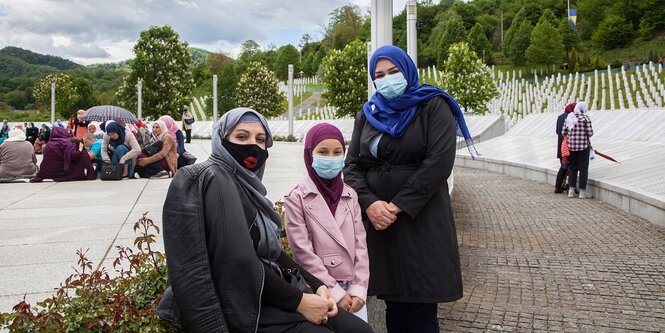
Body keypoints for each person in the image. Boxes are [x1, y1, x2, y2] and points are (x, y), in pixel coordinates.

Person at [156, 108, 372, 333]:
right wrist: (300, 302)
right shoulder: (204, 178)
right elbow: (234, 262)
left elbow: (273, 253)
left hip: (272, 297)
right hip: (245, 307)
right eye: (241, 136)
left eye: (261, 139)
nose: (254, 146)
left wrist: (317, 286)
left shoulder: (250, 189)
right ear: (222, 139)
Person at [344, 45, 470, 333]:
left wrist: (396, 205)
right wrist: (370, 204)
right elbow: (352, 166)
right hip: (380, 224)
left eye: (393, 72)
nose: (387, 79)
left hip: (420, 219)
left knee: (421, 309)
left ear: (408, 71)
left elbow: (439, 163)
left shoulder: (433, 105)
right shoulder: (369, 113)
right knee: (394, 307)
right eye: (379, 75)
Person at [284, 123, 370, 322]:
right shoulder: (297, 197)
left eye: (337, 152)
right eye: (322, 151)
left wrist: (359, 289)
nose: (331, 158)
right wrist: (335, 292)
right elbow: (302, 252)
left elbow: (361, 246)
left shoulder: (350, 195)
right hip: (320, 291)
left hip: (352, 292)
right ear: (309, 154)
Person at [30, 127, 95, 182]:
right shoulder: (67, 143)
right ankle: (90, 174)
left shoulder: (48, 145)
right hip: (66, 172)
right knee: (83, 153)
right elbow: (73, 156)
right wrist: (80, 149)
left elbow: (46, 161)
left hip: (49, 172)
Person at [563, 101, 594, 199]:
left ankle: (571, 191)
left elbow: (564, 131)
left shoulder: (570, 117)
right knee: (583, 169)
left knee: (573, 168)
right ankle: (582, 192)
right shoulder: (585, 118)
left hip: (572, 147)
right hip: (583, 147)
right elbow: (590, 133)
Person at [555, 102, 576, 193]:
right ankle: (569, 187)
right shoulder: (572, 117)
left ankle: (558, 186)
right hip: (570, 145)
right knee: (571, 167)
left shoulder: (560, 117)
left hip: (561, 145)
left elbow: (557, 131)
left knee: (563, 167)